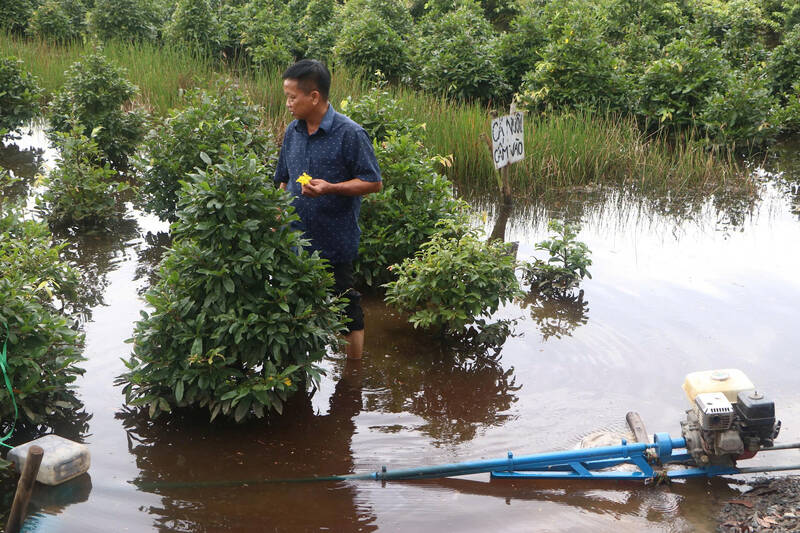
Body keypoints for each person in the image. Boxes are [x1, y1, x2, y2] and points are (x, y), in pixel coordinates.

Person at [274, 59, 382, 359]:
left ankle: (353, 377)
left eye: (292, 97)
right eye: (287, 97)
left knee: (346, 308)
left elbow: (373, 182)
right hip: (295, 241)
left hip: (334, 241)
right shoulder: (293, 132)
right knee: (294, 309)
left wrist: (331, 187)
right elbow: (283, 179)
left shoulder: (350, 134)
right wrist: (276, 216)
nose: (288, 104)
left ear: (314, 97)